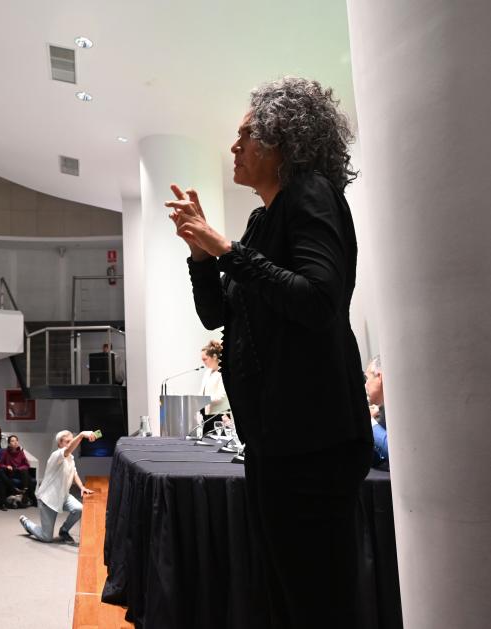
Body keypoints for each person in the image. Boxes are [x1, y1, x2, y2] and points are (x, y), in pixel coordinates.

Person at [174, 77, 371, 627]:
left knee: (319, 601)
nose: (234, 147)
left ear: (284, 141)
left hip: (316, 439)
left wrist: (225, 248)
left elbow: (317, 299)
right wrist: (199, 254)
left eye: (246, 135)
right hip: (276, 439)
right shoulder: (264, 219)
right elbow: (218, 315)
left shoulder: (310, 194)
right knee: (289, 595)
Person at [20, 430, 95, 544]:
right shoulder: (56, 455)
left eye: (71, 441)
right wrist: (81, 435)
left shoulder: (70, 457)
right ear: (60, 443)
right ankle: (26, 523)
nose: (70, 444)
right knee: (47, 537)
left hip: (63, 496)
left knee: (79, 509)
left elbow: (74, 473)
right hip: (48, 500)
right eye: (67, 441)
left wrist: (81, 487)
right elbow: (69, 448)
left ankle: (64, 530)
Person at [198, 340, 230, 433]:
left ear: (215, 357)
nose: (203, 362)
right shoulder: (207, 372)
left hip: (219, 416)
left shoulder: (223, 372)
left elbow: (222, 396)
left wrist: (204, 399)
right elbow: (201, 392)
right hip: (207, 415)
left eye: (205, 359)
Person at [366, 355, 389, 468]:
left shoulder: (401, 410)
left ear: (379, 377)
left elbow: (392, 449)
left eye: (367, 379)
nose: (365, 385)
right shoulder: (384, 410)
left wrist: (369, 422)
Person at [0, 435, 34, 502]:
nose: (15, 442)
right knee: (28, 478)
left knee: (25, 472)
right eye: (13, 441)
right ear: (9, 444)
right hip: (11, 472)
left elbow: (27, 465)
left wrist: (20, 468)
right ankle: (29, 496)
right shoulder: (6, 453)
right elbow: (0, 464)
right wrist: (7, 466)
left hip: (20, 472)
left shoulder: (21, 452)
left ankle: (24, 492)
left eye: (16, 441)